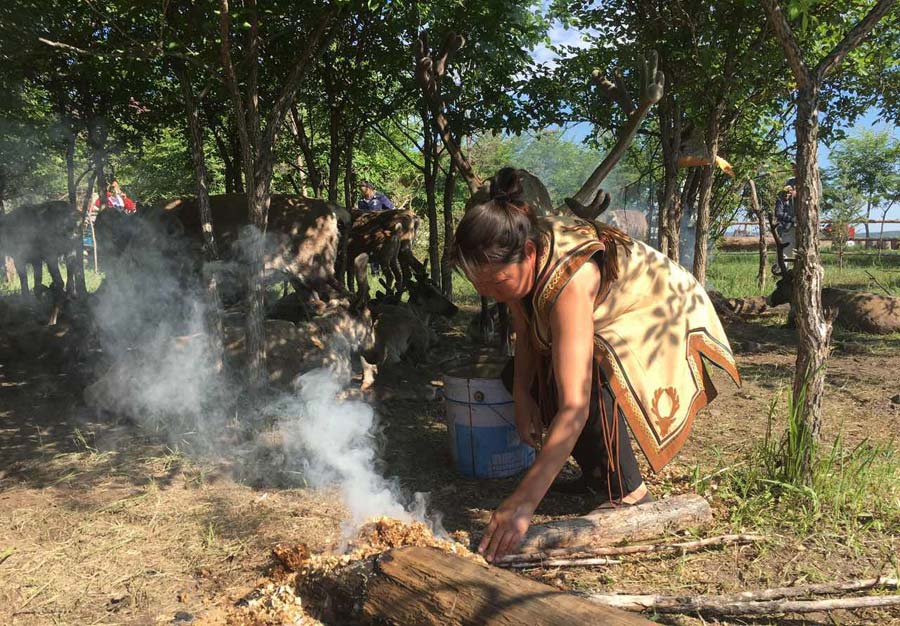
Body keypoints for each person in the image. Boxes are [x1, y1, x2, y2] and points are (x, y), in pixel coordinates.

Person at [454, 168, 740, 562]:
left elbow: (574, 406)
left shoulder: (571, 277)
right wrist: (521, 396)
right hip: (612, 303)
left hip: (658, 306)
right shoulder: (517, 250)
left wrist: (523, 502)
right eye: (480, 287)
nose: (490, 294)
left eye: (497, 282)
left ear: (531, 255)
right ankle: (595, 477)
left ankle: (630, 493)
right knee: (524, 376)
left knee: (584, 378)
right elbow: (526, 338)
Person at [774, 164, 797, 263]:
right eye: (793, 166)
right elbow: (782, 201)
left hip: (806, 225)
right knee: (785, 251)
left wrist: (798, 193)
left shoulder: (814, 180)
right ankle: (779, 271)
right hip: (790, 224)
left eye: (796, 166)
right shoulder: (790, 181)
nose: (794, 169)